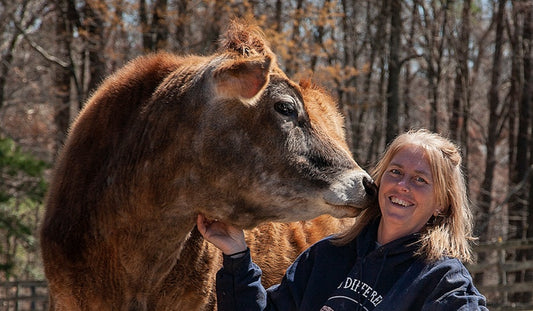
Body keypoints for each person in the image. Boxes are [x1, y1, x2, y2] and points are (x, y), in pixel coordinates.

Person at [197, 129, 488, 310]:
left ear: (441, 203)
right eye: (396, 172)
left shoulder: (441, 280)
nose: (402, 186)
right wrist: (236, 255)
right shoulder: (326, 256)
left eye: (420, 180)